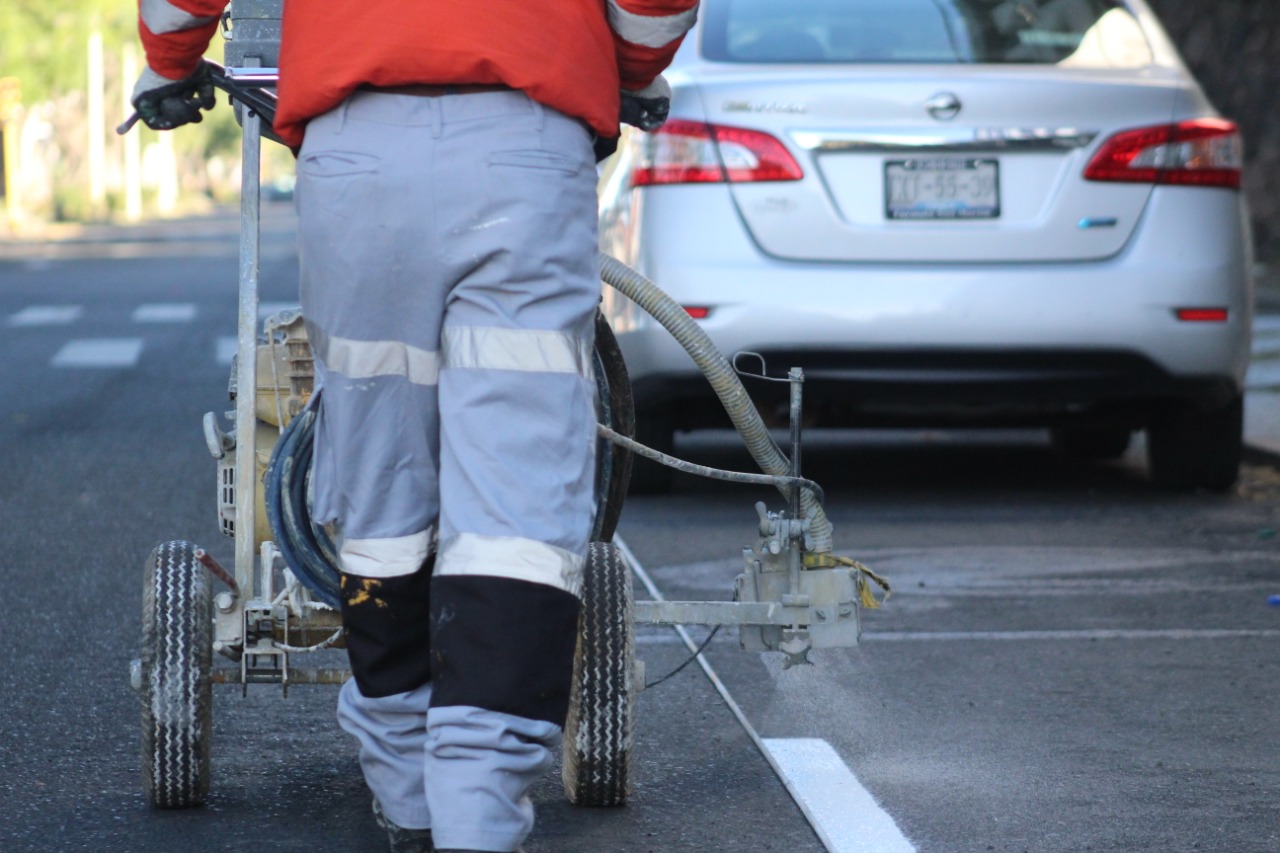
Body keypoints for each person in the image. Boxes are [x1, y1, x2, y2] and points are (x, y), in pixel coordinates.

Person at [131, 1, 698, 851]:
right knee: (515, 505)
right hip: (525, 145)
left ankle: (406, 793)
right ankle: (477, 808)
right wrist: (628, 69)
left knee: (382, 480)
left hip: (356, 158)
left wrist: (171, 59)